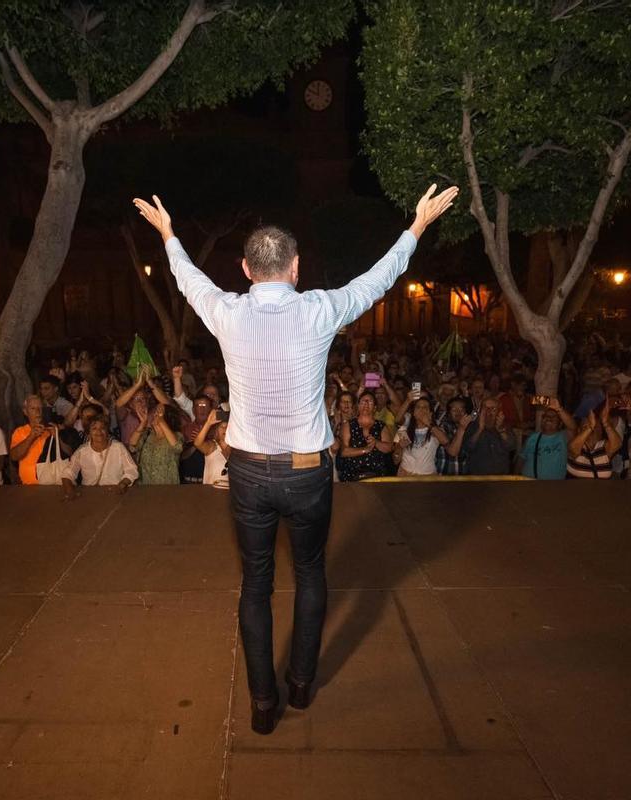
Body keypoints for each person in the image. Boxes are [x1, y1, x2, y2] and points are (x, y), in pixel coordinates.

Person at [133, 182, 458, 734]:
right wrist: (417, 227)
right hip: (308, 473)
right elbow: (376, 281)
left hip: (250, 474)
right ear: (296, 267)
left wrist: (168, 235)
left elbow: (189, 283)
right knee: (310, 574)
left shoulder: (228, 313)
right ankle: (301, 686)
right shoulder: (320, 309)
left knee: (255, 584)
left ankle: (264, 704)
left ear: (244, 268)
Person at [61, 416, 139, 498]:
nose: (99, 432)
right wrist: (69, 491)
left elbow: (132, 470)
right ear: (88, 433)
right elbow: (68, 474)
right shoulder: (82, 451)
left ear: (107, 431)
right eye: (94, 428)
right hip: (90, 496)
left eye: (102, 428)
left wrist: (122, 484)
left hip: (115, 494)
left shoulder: (118, 447)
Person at [337, 391, 393, 482]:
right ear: (358, 406)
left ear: (375, 407)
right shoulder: (348, 425)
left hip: (377, 476)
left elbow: (389, 448)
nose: (366, 403)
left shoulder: (381, 425)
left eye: (370, 401)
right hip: (352, 476)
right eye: (363, 401)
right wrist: (365, 449)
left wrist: (376, 442)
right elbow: (344, 451)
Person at [391, 395, 450, 476]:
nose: (421, 410)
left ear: (430, 412)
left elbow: (445, 441)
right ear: (413, 412)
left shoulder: (436, 428)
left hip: (427, 476)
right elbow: (395, 460)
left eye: (425, 407)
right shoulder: (404, 429)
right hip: (405, 474)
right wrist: (400, 448)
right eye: (418, 407)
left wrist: (429, 424)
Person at [128, 400, 183, 485]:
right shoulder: (147, 434)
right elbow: (132, 446)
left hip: (168, 491)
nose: (155, 414)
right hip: (146, 488)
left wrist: (161, 420)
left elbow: (177, 447)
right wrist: (143, 424)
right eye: (155, 411)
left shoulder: (176, 436)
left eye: (160, 411)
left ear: (167, 417)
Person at [518, 399, 575, 480]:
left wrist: (559, 409)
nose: (548, 418)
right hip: (528, 483)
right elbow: (521, 459)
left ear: (560, 423)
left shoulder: (563, 437)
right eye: (545, 416)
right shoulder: (533, 437)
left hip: (553, 487)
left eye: (553, 416)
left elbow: (572, 427)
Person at [566, 397, 622, 479]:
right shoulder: (577, 444)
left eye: (596, 426)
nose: (593, 429)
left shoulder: (603, 446)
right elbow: (573, 449)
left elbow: (617, 445)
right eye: (586, 426)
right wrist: (590, 428)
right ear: (579, 431)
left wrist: (606, 423)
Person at [9, 395, 54, 485]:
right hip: (28, 484)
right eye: (33, 408)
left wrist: (57, 437)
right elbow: (14, 456)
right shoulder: (19, 432)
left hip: (50, 484)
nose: (38, 412)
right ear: (25, 412)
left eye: (39, 408)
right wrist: (31, 437)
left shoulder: (51, 430)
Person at [463, 397, 512, 475]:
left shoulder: (505, 426)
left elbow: (511, 446)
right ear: (480, 411)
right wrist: (480, 429)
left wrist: (501, 431)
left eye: (493, 408)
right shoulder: (472, 426)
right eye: (485, 408)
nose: (489, 411)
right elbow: (468, 447)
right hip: (477, 477)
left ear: (499, 411)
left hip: (500, 476)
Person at [194, 407, 232, 487]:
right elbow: (197, 443)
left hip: (231, 494)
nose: (225, 430)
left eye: (228, 427)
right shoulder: (212, 446)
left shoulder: (237, 449)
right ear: (217, 430)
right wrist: (208, 423)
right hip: (211, 493)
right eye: (222, 427)